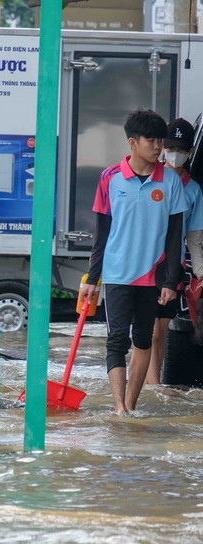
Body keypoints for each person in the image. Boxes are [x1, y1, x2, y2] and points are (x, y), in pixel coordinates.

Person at [81, 109, 187, 413]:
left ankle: (130, 404)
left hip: (151, 275)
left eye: (160, 141)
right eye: (151, 141)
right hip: (116, 274)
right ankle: (119, 408)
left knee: (143, 341)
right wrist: (92, 279)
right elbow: (100, 236)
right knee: (116, 341)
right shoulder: (110, 178)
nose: (158, 147)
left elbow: (175, 235)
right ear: (132, 142)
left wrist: (171, 280)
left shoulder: (170, 182)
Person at [147, 118, 203, 384]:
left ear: (190, 152)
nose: (174, 154)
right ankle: (148, 384)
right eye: (170, 148)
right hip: (143, 263)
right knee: (147, 331)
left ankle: (152, 385)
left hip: (172, 267)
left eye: (181, 150)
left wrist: (199, 274)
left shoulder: (192, 190)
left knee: (161, 330)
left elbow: (194, 236)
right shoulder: (148, 179)